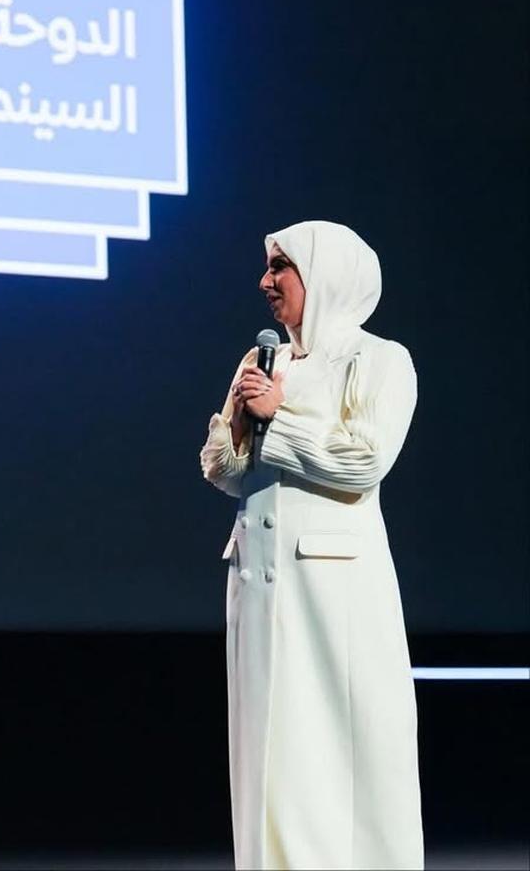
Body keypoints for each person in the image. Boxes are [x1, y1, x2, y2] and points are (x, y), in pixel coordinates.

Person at [199, 220, 423, 870]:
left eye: (281, 267)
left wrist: (279, 416)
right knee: (267, 757)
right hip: (257, 580)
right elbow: (223, 470)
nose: (266, 282)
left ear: (325, 275)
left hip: (336, 592)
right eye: (268, 268)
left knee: (336, 750)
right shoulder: (261, 359)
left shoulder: (380, 359)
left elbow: (365, 461)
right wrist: (240, 429)